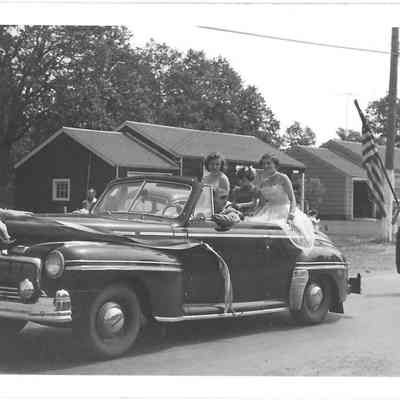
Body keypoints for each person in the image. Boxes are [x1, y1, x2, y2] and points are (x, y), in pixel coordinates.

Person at [249, 153, 315, 252]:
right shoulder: (263, 183)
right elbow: (262, 204)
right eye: (264, 164)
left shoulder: (283, 178)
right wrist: (254, 213)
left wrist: (291, 214)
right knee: (256, 224)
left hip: (285, 209)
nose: (266, 166)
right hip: (268, 210)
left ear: (275, 164)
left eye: (268, 163)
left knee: (280, 226)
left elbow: (292, 199)